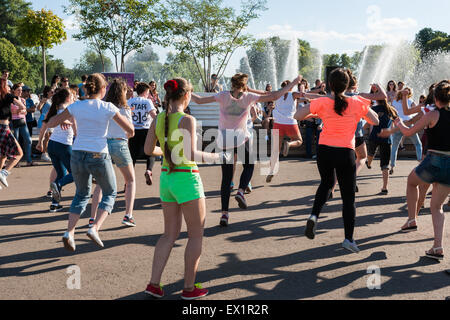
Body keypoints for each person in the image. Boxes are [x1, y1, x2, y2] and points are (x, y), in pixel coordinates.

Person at [143, 78, 228, 300]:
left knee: (168, 235)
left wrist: (169, 153)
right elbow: (190, 155)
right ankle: (189, 288)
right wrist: (217, 156)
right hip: (187, 179)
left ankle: (154, 284)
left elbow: (147, 149)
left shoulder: (158, 119)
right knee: (196, 235)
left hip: (167, 179)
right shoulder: (187, 119)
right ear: (186, 96)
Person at [192, 73, 302, 227]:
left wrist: (185, 91)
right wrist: (294, 82)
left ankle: (224, 214)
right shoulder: (249, 97)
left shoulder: (222, 95)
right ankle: (241, 191)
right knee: (249, 166)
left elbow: (198, 100)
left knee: (226, 178)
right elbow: (276, 95)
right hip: (241, 138)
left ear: (232, 84)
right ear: (244, 85)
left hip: (224, 140)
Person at [45, 73, 134, 252]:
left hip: (77, 153)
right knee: (109, 192)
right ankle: (94, 228)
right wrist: (128, 135)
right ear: (103, 89)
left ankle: (69, 232)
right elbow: (130, 129)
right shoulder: (107, 107)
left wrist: (65, 121)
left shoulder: (76, 106)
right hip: (98, 154)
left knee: (81, 194)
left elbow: (51, 122)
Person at [294, 68, 379, 253]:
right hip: (345, 151)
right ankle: (348, 239)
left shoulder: (322, 101)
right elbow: (376, 120)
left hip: (324, 149)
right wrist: (361, 113)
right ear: (347, 84)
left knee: (326, 184)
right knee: (348, 198)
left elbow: (297, 116)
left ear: (330, 85)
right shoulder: (356, 102)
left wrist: (317, 113)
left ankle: (314, 216)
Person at [392, 80, 449, 261]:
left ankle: (412, 219)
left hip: (433, 161)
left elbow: (409, 132)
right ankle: (437, 246)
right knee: (437, 207)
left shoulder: (432, 114)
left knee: (411, 182)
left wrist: (399, 123)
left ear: (435, 97)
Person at [90, 79, 137, 228]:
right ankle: (128, 215)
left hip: (103, 145)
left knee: (100, 184)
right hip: (119, 143)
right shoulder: (125, 109)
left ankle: (92, 218)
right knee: (130, 181)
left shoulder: (103, 107)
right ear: (122, 92)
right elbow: (130, 131)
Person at [37, 88, 76, 212]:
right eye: (72, 96)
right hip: (64, 146)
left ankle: (54, 204)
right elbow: (76, 132)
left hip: (52, 145)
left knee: (60, 174)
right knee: (75, 173)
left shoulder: (53, 110)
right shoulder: (70, 111)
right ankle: (58, 185)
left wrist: (40, 142)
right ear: (68, 98)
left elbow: (44, 127)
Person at [266, 80, 304, 183]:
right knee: (299, 140)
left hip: (277, 123)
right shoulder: (293, 93)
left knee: (275, 150)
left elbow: (264, 93)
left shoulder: (277, 94)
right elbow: (303, 94)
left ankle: (271, 171)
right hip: (290, 122)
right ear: (290, 87)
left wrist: (249, 90)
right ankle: (289, 144)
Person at [366, 96, 399, 194]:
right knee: (385, 164)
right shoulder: (391, 109)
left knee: (371, 153)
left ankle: (369, 163)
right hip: (387, 137)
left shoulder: (373, 109)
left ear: (377, 100)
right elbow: (397, 123)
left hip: (374, 136)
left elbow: (368, 122)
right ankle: (385, 187)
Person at [128, 82, 157, 186]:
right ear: (145, 92)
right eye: (148, 92)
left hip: (133, 130)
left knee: (132, 156)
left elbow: (126, 116)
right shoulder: (147, 101)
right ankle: (149, 170)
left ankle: (128, 181)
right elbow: (154, 115)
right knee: (150, 152)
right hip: (146, 130)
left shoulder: (130, 101)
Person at [390, 87, 423, 175]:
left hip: (398, 125)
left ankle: (392, 166)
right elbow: (416, 111)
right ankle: (420, 162)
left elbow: (391, 113)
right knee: (417, 144)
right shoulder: (410, 100)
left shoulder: (394, 102)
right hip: (408, 124)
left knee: (394, 146)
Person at [0, 79, 24, 188]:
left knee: (2, 155)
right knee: (19, 153)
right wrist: (17, 111)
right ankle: (3, 173)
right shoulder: (8, 96)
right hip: (4, 128)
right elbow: (22, 106)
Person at [10, 84, 33, 166]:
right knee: (15, 141)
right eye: (18, 90)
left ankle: (29, 160)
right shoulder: (10, 99)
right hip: (13, 122)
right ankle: (16, 161)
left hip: (23, 121)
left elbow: (26, 111)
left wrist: (20, 110)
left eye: (21, 90)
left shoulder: (22, 99)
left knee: (28, 140)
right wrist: (20, 110)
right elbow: (11, 112)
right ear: (14, 90)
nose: (20, 92)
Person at [37, 86, 54, 162]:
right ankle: (44, 154)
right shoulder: (45, 99)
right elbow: (39, 108)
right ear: (47, 92)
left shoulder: (51, 100)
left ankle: (46, 153)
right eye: (52, 92)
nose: (53, 93)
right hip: (44, 119)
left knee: (48, 138)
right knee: (46, 137)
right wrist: (41, 102)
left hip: (50, 119)